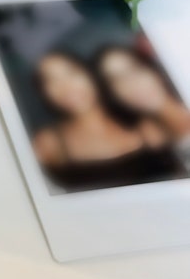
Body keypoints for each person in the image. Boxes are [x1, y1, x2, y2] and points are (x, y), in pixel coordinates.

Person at [30, 50, 186, 192]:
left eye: (71, 73)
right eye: (50, 80)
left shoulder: (145, 127)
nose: (65, 86)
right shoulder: (48, 144)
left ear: (90, 74)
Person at [96, 45, 190, 148]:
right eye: (116, 80)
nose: (132, 83)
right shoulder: (153, 141)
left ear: (152, 69)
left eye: (133, 69)